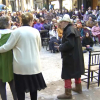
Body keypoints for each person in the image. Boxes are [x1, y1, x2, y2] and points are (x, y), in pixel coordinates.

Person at [0, 12, 46, 100]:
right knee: (33, 89)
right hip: (34, 65)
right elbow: (39, 48)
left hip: (20, 66)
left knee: (20, 90)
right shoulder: (36, 31)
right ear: (31, 21)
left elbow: (7, 47)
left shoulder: (17, 31)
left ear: (21, 21)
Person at [55, 14, 84, 99]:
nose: (60, 24)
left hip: (70, 57)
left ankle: (68, 93)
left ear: (65, 22)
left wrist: (60, 47)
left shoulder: (69, 30)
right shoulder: (73, 28)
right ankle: (78, 88)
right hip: (75, 55)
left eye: (61, 23)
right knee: (76, 71)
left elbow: (70, 44)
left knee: (67, 74)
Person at [0, 16, 17, 100]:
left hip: (0, 61)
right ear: (8, 23)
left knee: (1, 85)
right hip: (11, 61)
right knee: (13, 84)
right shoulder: (13, 33)